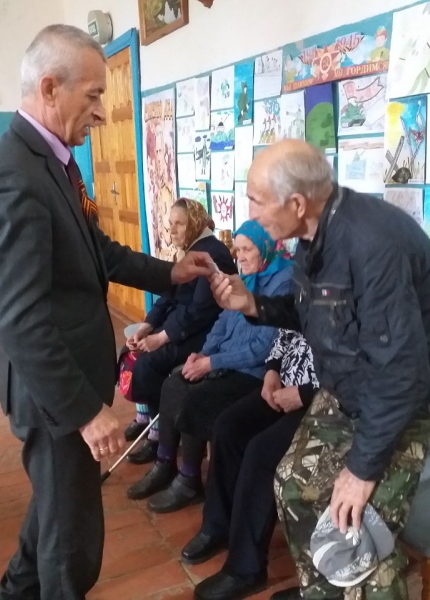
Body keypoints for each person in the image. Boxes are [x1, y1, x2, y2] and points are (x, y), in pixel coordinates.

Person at [0, 24, 211, 600]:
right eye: (94, 95)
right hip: (56, 398)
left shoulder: (52, 162)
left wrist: (170, 272)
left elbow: (95, 249)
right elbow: (19, 316)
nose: (103, 113)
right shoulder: (16, 177)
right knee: (71, 542)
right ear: (49, 88)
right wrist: (85, 412)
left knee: (54, 510)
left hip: (68, 384)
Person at [209, 139, 430, 600]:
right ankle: (321, 590)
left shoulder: (372, 243)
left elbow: (402, 375)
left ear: (296, 203)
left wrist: (361, 472)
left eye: (257, 200)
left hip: (405, 400)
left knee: (358, 524)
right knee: (292, 484)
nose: (251, 213)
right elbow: (316, 313)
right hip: (349, 387)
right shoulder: (313, 234)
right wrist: (254, 305)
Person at [127, 221, 293, 514]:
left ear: (266, 248)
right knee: (174, 383)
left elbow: (262, 348)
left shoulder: (284, 282)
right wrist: (201, 354)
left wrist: (210, 363)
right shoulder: (247, 276)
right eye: (237, 249)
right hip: (223, 361)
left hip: (253, 372)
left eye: (247, 250)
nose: (239, 257)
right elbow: (223, 321)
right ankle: (165, 463)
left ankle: (189, 480)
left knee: (196, 397)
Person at [186, 329, 319, 600]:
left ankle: (245, 569)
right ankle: (217, 526)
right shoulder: (309, 299)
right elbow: (284, 334)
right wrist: (271, 371)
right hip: (283, 386)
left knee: (262, 451)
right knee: (228, 427)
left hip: (321, 402)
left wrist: (304, 394)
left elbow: (353, 372)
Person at [124, 198, 237, 464]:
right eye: (171, 224)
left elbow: (199, 311)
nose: (172, 230)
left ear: (194, 223)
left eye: (180, 224)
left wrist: (161, 338)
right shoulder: (190, 249)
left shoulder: (212, 254)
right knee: (130, 349)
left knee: (150, 361)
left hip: (204, 332)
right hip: (183, 324)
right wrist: (147, 326)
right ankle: (146, 418)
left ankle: (157, 436)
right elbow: (168, 295)